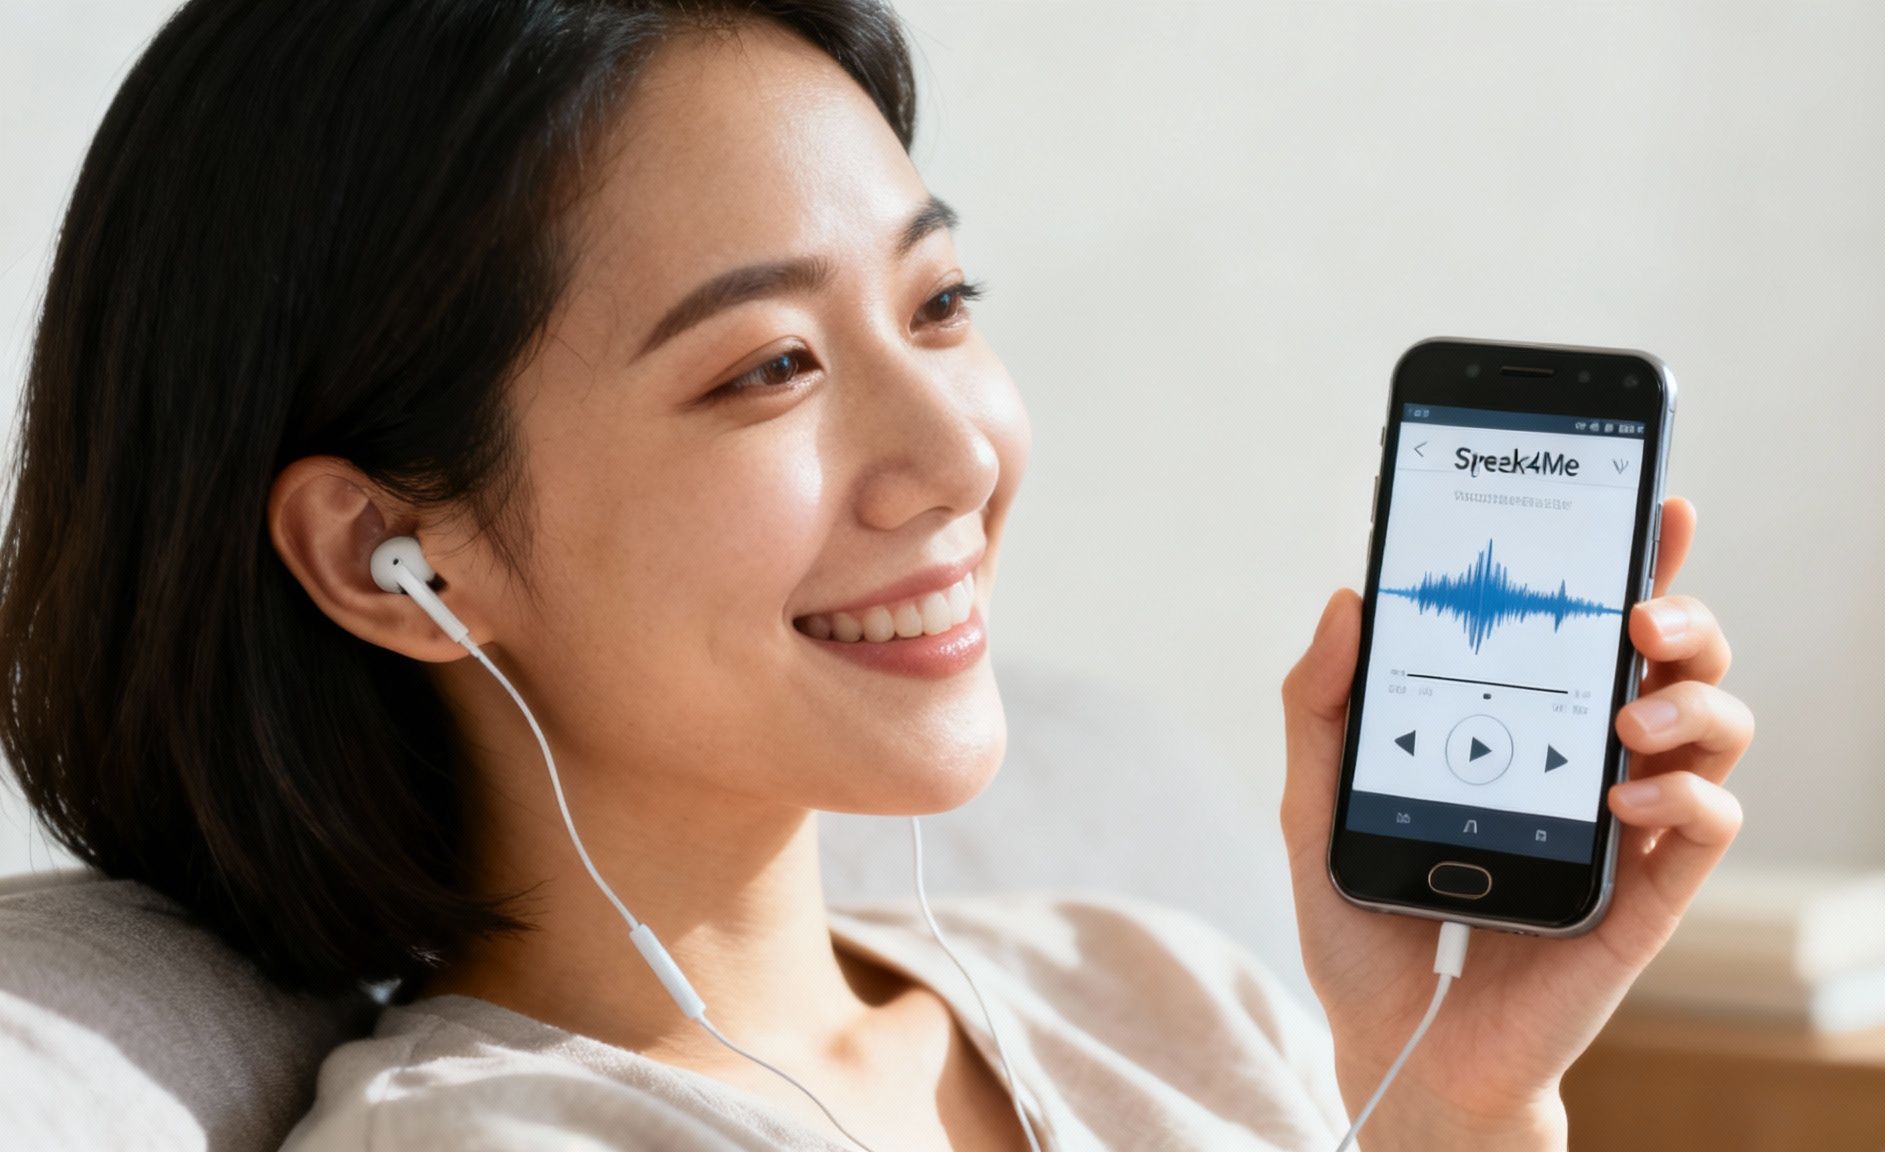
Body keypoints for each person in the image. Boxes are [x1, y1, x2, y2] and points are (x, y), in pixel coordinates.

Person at [0, 1, 1762, 1148]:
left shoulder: (1159, 995)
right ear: (388, 556)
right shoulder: (505, 1142)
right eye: (769, 365)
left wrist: (1461, 1097)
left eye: (939, 306)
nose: (960, 454)